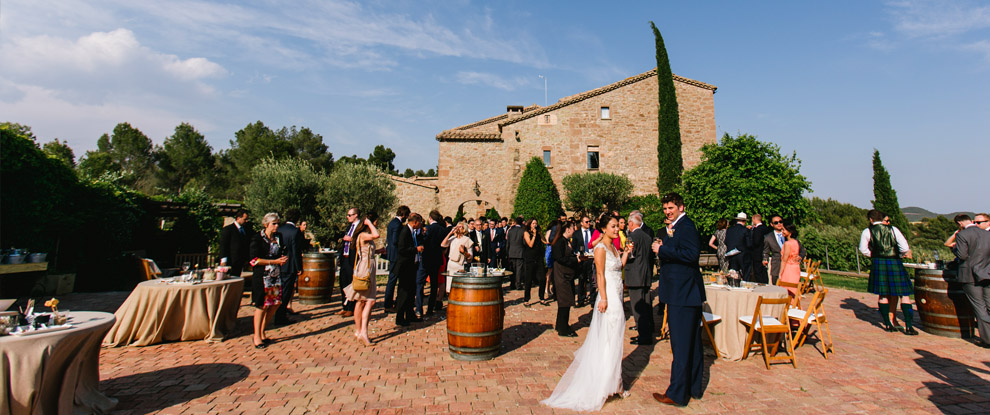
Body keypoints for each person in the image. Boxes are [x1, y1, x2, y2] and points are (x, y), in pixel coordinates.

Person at [542, 215, 632, 411]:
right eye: (613, 226)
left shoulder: (614, 248)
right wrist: (604, 298)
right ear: (603, 228)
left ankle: (615, 382)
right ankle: (604, 384)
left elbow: (619, 267)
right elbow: (600, 274)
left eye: (618, 226)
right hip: (609, 298)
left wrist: (626, 253)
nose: (617, 229)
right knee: (608, 339)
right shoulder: (600, 248)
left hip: (618, 294)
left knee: (616, 340)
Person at [651, 193, 704, 407]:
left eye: (671, 208)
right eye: (665, 208)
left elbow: (692, 255)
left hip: (682, 293)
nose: (667, 212)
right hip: (685, 293)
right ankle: (693, 388)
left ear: (681, 207)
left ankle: (677, 394)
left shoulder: (686, 226)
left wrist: (662, 249)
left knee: (681, 346)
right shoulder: (679, 226)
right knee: (692, 344)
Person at [859, 209, 917, 335]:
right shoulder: (893, 229)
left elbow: (863, 250)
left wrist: (875, 255)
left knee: (883, 294)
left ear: (871, 219)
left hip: (878, 263)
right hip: (894, 262)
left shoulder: (867, 231)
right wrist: (898, 255)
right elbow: (905, 248)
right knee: (905, 294)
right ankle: (909, 326)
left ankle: (888, 324)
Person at [249, 212, 288, 349]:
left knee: (274, 303)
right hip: (262, 276)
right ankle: (257, 336)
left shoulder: (278, 237)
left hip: (274, 275)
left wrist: (282, 259)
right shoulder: (257, 238)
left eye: (277, 223)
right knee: (262, 305)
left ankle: (263, 330)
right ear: (266, 225)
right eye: (274, 224)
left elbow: (281, 251)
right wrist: (273, 261)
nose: (276, 226)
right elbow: (254, 260)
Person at [950, 214, 990, 348]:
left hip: (970, 275)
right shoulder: (987, 234)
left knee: (980, 308)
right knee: (989, 306)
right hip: (987, 273)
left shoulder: (963, 235)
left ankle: (988, 340)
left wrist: (954, 248)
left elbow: (962, 255)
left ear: (960, 223)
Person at [342, 214, 381, 346]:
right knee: (369, 301)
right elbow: (377, 235)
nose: (376, 225)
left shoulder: (363, 236)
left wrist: (379, 251)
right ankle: (363, 332)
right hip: (365, 269)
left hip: (367, 267)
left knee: (360, 301)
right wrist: (369, 223)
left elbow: (367, 251)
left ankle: (359, 331)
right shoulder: (363, 235)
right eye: (375, 222)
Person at [550, 220, 585, 337]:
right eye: (573, 228)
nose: (574, 230)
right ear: (568, 229)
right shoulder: (559, 242)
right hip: (561, 274)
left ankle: (560, 324)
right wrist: (576, 260)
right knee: (565, 301)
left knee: (565, 301)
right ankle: (563, 328)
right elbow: (560, 258)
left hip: (566, 274)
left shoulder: (565, 241)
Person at [625, 211, 655, 345]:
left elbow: (630, 254)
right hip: (645, 272)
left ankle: (643, 335)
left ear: (631, 223)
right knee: (647, 305)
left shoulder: (632, 237)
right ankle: (647, 331)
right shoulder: (647, 237)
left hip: (635, 274)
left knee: (638, 306)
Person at [274, 208, 306, 325]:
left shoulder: (279, 229)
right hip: (290, 265)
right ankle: (280, 317)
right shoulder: (295, 231)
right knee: (286, 292)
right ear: (297, 219)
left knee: (279, 291)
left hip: (279, 264)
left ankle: (278, 313)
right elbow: (295, 250)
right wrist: (299, 267)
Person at [394, 213, 425, 326]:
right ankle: (400, 317)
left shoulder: (413, 232)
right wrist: (415, 249)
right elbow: (402, 249)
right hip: (405, 266)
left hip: (412, 265)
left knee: (411, 292)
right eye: (420, 222)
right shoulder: (405, 232)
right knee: (404, 292)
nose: (421, 225)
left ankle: (410, 314)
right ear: (415, 222)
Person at [416, 210, 445, 318]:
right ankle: (430, 308)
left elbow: (423, 241)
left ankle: (419, 309)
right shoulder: (441, 230)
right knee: (434, 285)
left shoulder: (427, 229)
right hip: (436, 260)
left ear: (430, 218)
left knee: (420, 283)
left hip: (426, 259)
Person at [762, 215, 805, 285]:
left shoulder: (791, 237)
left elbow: (802, 250)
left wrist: (800, 257)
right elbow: (766, 251)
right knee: (776, 288)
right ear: (771, 224)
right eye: (776, 222)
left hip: (791, 268)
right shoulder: (768, 237)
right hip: (776, 266)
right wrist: (765, 259)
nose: (779, 224)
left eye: (780, 222)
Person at [383, 206, 410, 313]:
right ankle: (388, 304)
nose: (406, 218)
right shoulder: (398, 224)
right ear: (403, 215)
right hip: (396, 255)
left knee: (392, 279)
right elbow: (395, 240)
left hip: (392, 254)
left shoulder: (392, 222)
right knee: (392, 280)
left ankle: (390, 302)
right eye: (406, 216)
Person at [337, 207, 361, 317]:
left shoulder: (360, 228)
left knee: (351, 283)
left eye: (349, 215)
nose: (348, 217)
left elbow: (362, 240)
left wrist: (351, 239)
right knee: (343, 282)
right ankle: (344, 306)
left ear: (356, 215)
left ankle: (351, 307)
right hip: (345, 258)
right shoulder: (349, 227)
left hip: (353, 258)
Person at [219, 209, 251, 278]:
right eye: (245, 219)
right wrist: (224, 260)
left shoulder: (246, 230)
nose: (246, 221)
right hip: (230, 262)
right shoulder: (228, 229)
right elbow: (224, 245)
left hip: (239, 262)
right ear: (238, 218)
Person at [522, 218, 547, 306]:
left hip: (539, 258)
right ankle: (526, 299)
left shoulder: (538, 233)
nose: (535, 225)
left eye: (536, 223)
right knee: (528, 279)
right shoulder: (526, 233)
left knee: (543, 278)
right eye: (533, 223)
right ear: (529, 224)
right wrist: (534, 235)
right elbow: (530, 244)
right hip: (530, 258)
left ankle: (542, 297)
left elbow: (545, 242)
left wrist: (540, 234)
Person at [442, 223, 472, 292]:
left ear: (464, 229)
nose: (458, 228)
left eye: (460, 227)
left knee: (459, 288)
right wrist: (450, 233)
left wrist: (464, 252)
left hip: (460, 265)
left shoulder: (467, 240)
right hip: (451, 264)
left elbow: (470, 257)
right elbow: (443, 244)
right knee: (450, 288)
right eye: (457, 226)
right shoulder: (452, 238)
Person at [573, 216, 595, 306]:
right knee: (582, 279)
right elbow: (574, 246)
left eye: (589, 221)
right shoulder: (577, 234)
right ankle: (581, 299)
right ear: (581, 223)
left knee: (592, 280)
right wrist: (578, 254)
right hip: (582, 259)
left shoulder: (593, 232)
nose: (588, 223)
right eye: (586, 222)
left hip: (591, 258)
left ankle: (593, 300)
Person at [778, 224, 803, 303]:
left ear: (790, 232)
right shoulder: (796, 242)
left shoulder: (787, 244)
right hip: (796, 268)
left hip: (789, 269)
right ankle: (794, 305)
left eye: (784, 230)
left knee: (787, 287)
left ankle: (788, 306)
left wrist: (780, 273)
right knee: (794, 288)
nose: (782, 231)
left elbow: (784, 260)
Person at [724, 213, 750, 279]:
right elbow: (749, 244)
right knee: (745, 273)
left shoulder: (729, 230)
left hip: (731, 254)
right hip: (743, 255)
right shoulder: (745, 230)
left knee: (733, 274)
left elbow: (726, 241)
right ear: (744, 221)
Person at [748, 214, 771, 284]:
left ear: (754, 219)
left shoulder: (757, 230)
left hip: (757, 253)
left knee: (757, 272)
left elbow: (756, 242)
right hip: (765, 252)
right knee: (763, 271)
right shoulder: (765, 228)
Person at [507, 216, 526, 290]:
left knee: (512, 269)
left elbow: (508, 243)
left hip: (511, 252)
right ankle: (518, 284)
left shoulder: (510, 231)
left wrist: (507, 252)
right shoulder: (522, 231)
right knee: (519, 269)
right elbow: (524, 242)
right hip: (520, 252)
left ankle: (512, 284)